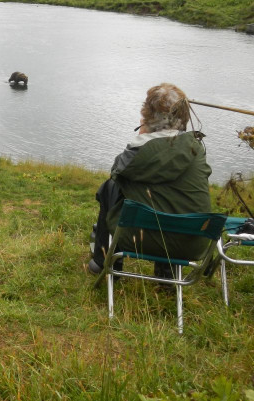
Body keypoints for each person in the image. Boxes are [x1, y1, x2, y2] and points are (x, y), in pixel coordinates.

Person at [86, 83, 212, 277]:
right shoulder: (195, 149)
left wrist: (143, 136)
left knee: (109, 187)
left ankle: (102, 262)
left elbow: (117, 171)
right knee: (176, 195)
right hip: (192, 242)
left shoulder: (139, 150)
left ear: (147, 113)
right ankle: (167, 274)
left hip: (139, 238)